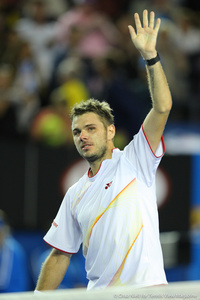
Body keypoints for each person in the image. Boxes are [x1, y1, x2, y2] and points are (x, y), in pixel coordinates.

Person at [35, 10, 172, 292]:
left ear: (111, 131)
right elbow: (60, 255)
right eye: (76, 131)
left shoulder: (136, 160)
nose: (82, 136)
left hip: (148, 294)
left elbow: (162, 107)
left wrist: (150, 56)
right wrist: (37, 297)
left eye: (90, 128)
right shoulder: (75, 194)